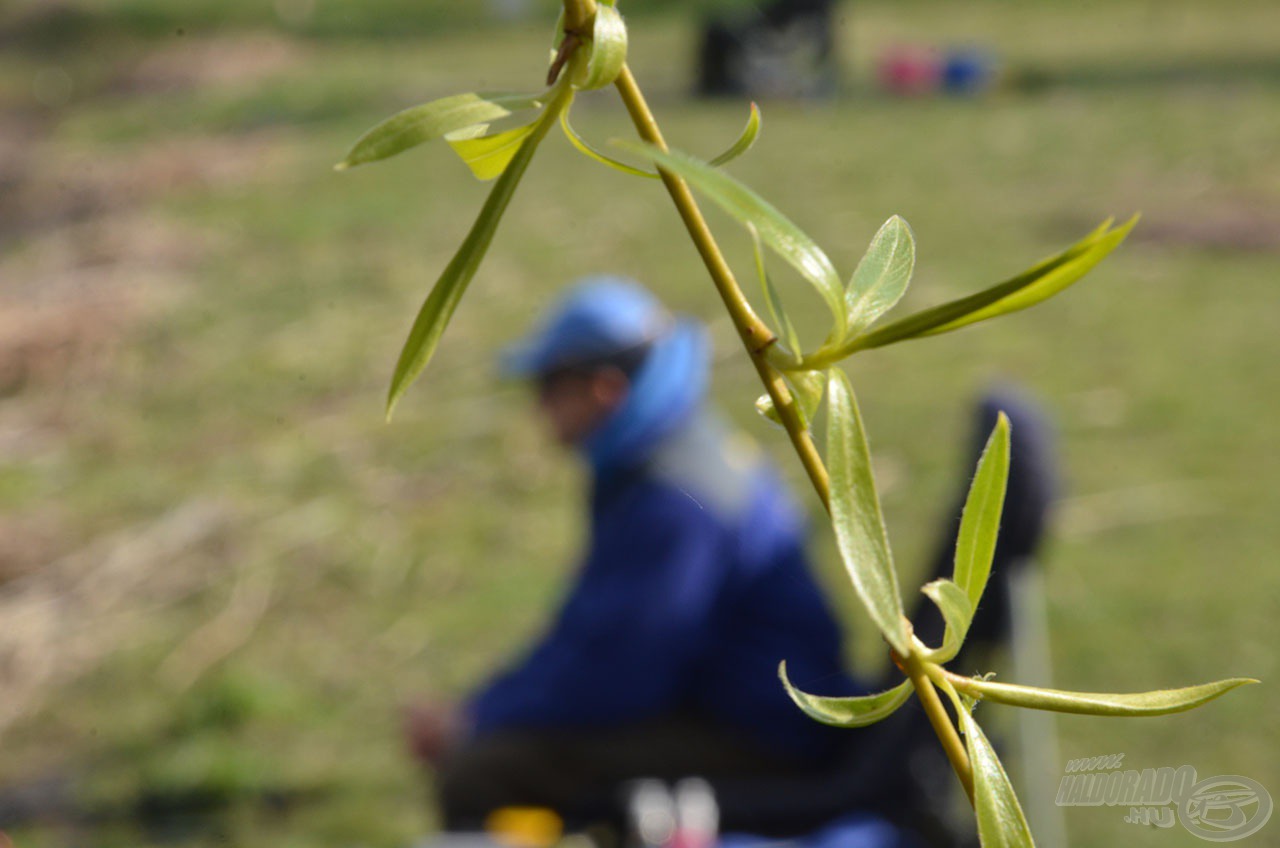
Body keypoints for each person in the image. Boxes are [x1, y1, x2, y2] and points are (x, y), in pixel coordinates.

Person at [405, 277, 1056, 847]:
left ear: (603, 389)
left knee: (486, 770)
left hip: (763, 733)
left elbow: (620, 672)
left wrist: (479, 721)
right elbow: (596, 634)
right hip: (736, 708)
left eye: (550, 387)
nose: (540, 409)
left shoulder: (673, 499)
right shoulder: (670, 458)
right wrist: (492, 702)